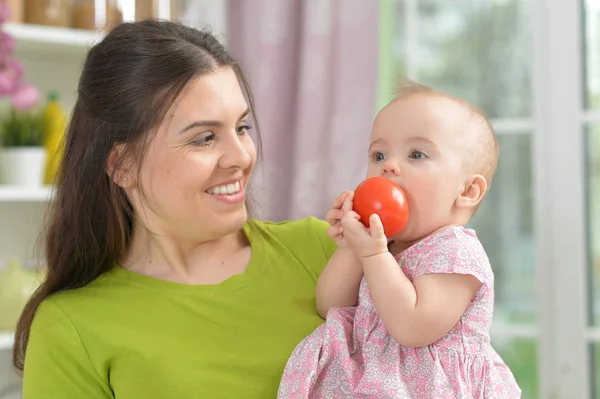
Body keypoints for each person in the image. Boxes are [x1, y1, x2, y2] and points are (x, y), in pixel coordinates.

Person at [13, 20, 337, 399]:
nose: (241, 156)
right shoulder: (70, 327)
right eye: (204, 138)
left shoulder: (325, 252)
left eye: (243, 127)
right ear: (122, 166)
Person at [277, 82, 522, 398]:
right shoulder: (383, 245)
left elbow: (412, 327)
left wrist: (373, 255)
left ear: (467, 191)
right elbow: (330, 306)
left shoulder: (456, 251)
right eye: (378, 154)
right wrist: (353, 248)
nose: (388, 166)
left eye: (416, 154)